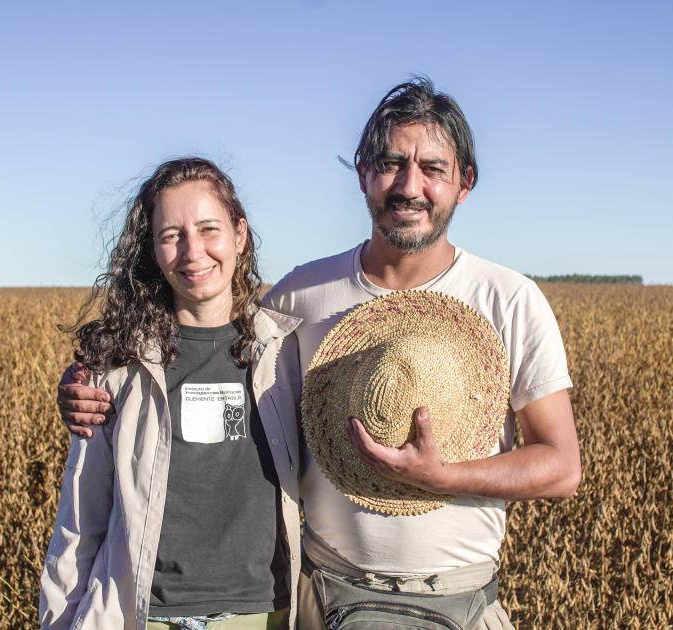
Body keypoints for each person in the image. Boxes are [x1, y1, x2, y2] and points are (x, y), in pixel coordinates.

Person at [58, 78, 581, 629]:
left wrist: (444, 477)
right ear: (362, 175)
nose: (409, 186)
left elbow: (561, 466)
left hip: (461, 599)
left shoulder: (510, 300)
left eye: (433, 168)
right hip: (323, 600)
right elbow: (199, 342)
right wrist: (91, 379)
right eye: (390, 164)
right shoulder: (296, 300)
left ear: (465, 183)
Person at [41, 157, 302, 630]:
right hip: (144, 617)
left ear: (239, 235)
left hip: (263, 617)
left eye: (208, 230)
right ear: (153, 251)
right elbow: (79, 523)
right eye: (171, 236)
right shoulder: (116, 371)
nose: (193, 252)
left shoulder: (287, 355)